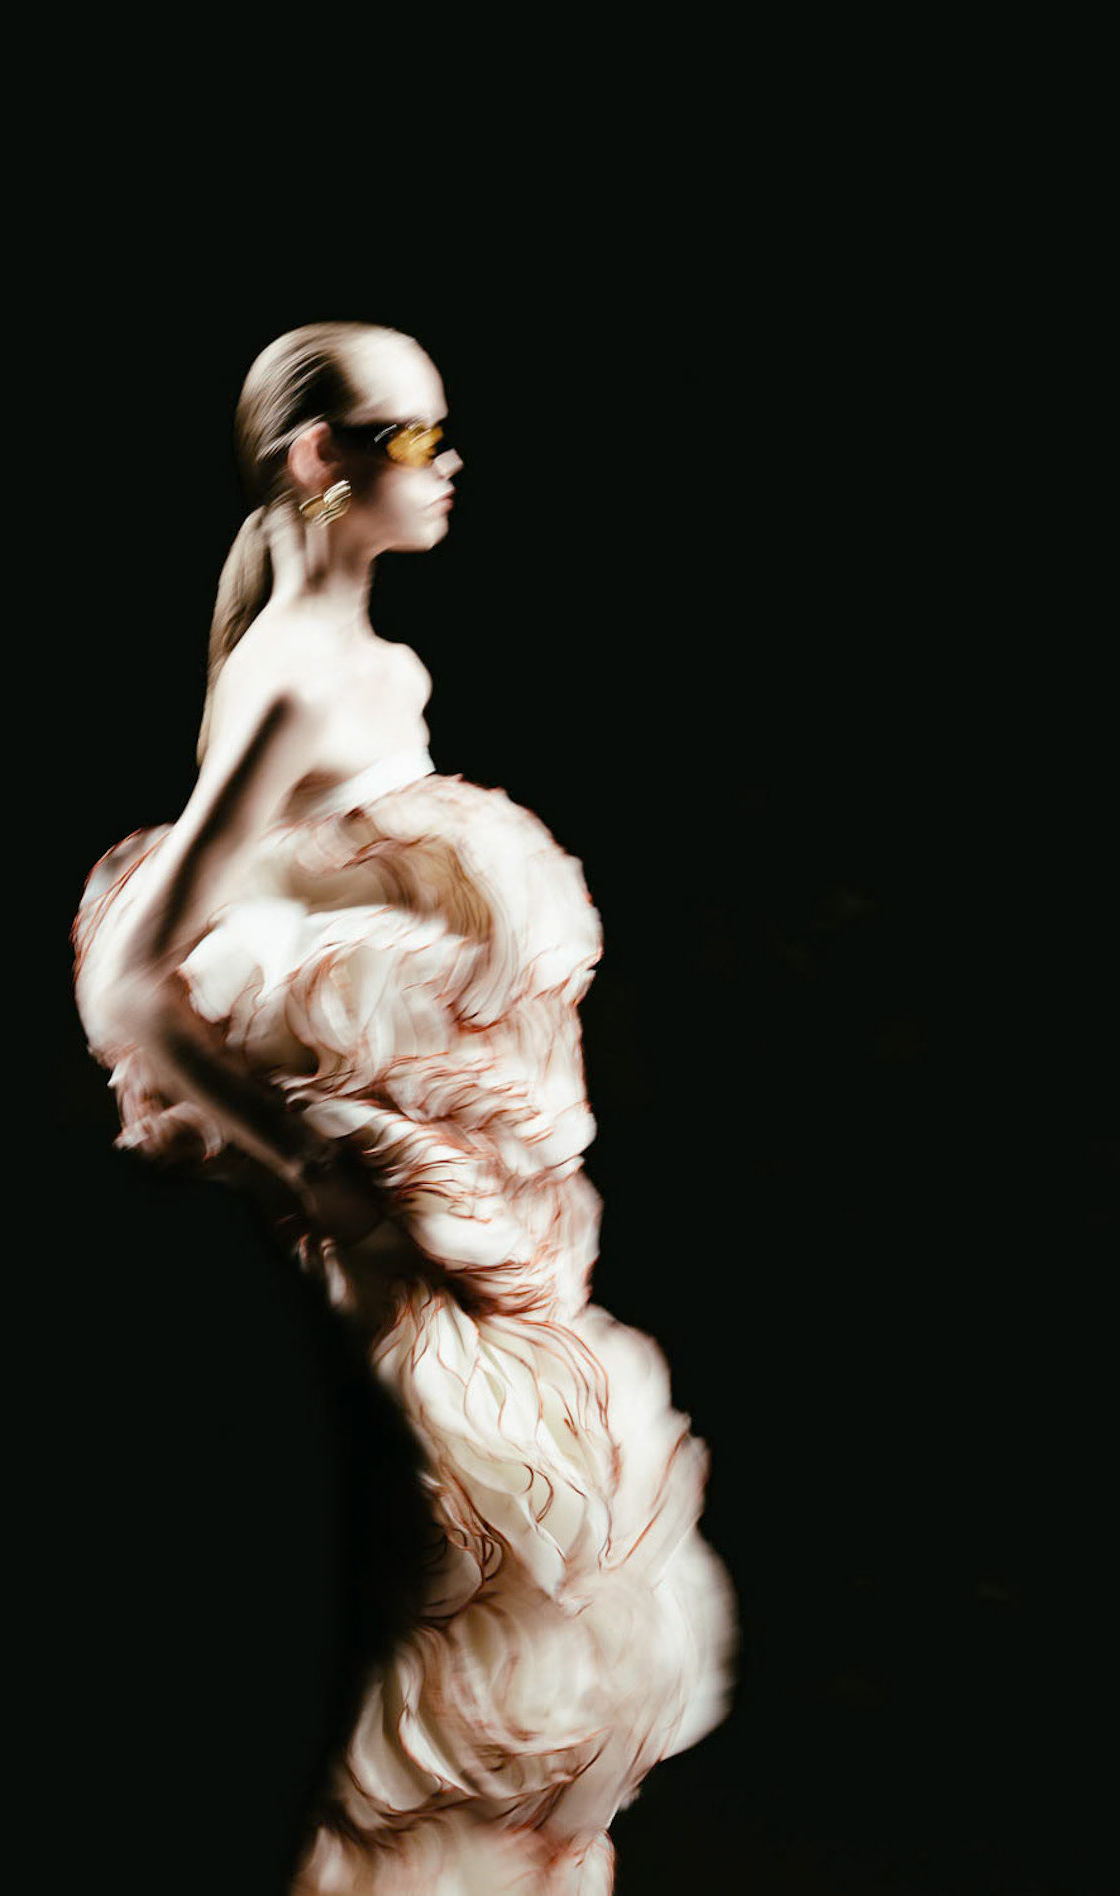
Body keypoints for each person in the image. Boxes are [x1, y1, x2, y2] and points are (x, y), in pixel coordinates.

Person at [71, 321, 737, 1895]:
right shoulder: (301, 684)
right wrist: (316, 1164)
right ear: (322, 461)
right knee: (471, 1576)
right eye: (417, 438)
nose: (448, 467)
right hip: (386, 1224)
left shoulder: (363, 671)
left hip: (455, 1202)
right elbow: (131, 985)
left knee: (497, 1567)